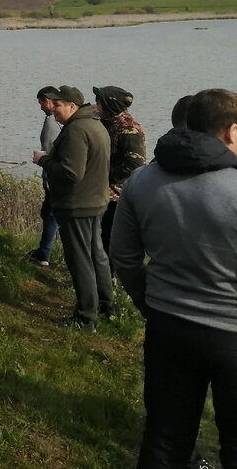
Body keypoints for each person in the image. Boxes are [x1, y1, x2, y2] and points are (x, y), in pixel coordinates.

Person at [111, 89, 237, 467]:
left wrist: (149, 301)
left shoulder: (141, 180)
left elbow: (123, 255)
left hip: (168, 327)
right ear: (231, 132)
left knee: (165, 440)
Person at [34, 85, 112, 329]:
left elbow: (71, 173)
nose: (54, 110)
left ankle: (85, 317)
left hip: (78, 204)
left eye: (58, 105)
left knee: (80, 260)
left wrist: (43, 160)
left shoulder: (76, 130)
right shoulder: (95, 124)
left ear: (72, 106)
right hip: (96, 201)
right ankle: (106, 305)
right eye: (54, 105)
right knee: (96, 255)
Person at [93, 85, 146, 261]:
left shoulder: (129, 129)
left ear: (110, 105)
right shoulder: (107, 124)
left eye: (99, 103)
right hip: (103, 193)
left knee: (109, 239)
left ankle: (109, 279)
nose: (96, 106)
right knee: (98, 238)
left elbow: (134, 163)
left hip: (117, 196)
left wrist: (102, 177)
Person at [26, 85, 63, 267]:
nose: (40, 107)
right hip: (59, 176)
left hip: (54, 178)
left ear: (47, 101)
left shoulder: (51, 121)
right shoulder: (60, 119)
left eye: (41, 102)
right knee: (49, 213)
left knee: (51, 215)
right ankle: (45, 251)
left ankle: (43, 255)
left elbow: (49, 152)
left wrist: (48, 179)